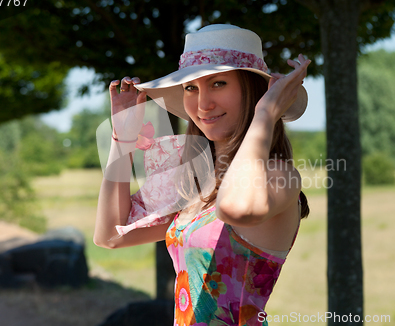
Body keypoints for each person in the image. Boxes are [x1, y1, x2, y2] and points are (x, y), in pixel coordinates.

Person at [94, 24, 310, 326]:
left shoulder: (279, 175)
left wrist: (265, 114)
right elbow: (110, 235)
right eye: (190, 88)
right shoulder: (195, 183)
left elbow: (234, 207)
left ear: (255, 92)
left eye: (218, 84)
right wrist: (123, 142)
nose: (202, 103)